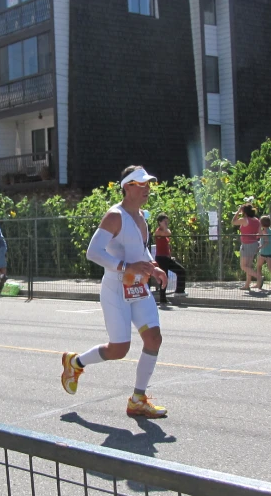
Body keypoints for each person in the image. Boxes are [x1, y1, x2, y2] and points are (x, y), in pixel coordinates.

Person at [60, 165, 169, 418]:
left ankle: (137, 400)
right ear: (127, 187)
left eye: (148, 184)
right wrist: (126, 266)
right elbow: (94, 252)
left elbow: (140, 251)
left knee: (154, 339)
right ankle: (75, 363)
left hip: (138, 287)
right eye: (141, 185)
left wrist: (154, 267)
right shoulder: (114, 216)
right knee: (119, 350)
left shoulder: (142, 216)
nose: (147, 189)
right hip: (115, 289)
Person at [153, 212, 187, 303]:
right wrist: (164, 227)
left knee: (181, 270)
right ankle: (162, 299)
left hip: (166, 258)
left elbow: (167, 245)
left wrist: (170, 255)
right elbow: (168, 233)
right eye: (164, 221)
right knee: (164, 276)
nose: (167, 223)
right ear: (159, 222)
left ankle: (179, 291)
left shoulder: (164, 230)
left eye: (167, 221)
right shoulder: (158, 231)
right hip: (161, 258)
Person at [232, 203, 262, 290]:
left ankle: (259, 277)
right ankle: (247, 285)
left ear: (244, 212)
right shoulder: (257, 220)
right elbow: (260, 234)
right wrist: (253, 237)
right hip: (254, 244)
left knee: (243, 266)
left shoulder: (244, 220)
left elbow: (233, 222)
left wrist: (238, 211)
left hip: (246, 245)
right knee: (248, 266)